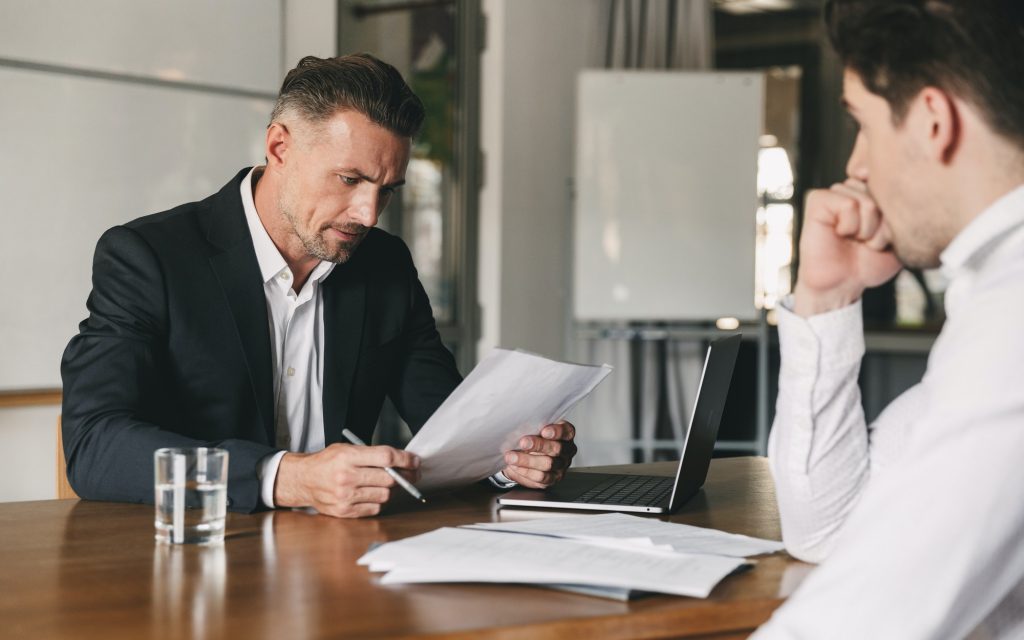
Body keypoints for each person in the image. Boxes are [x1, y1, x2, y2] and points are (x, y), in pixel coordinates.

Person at [60, 53, 577, 518]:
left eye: (387, 190)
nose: (369, 214)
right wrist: (290, 478)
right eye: (350, 180)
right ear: (279, 146)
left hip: (340, 566)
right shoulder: (149, 257)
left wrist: (514, 460)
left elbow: (452, 426)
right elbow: (94, 445)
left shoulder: (385, 265)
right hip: (195, 555)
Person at [753, 0, 1024, 637]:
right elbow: (829, 531)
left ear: (933, 121)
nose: (856, 166)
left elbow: (865, 620)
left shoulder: (1012, 317)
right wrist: (828, 298)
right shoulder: (994, 300)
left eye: (864, 126)